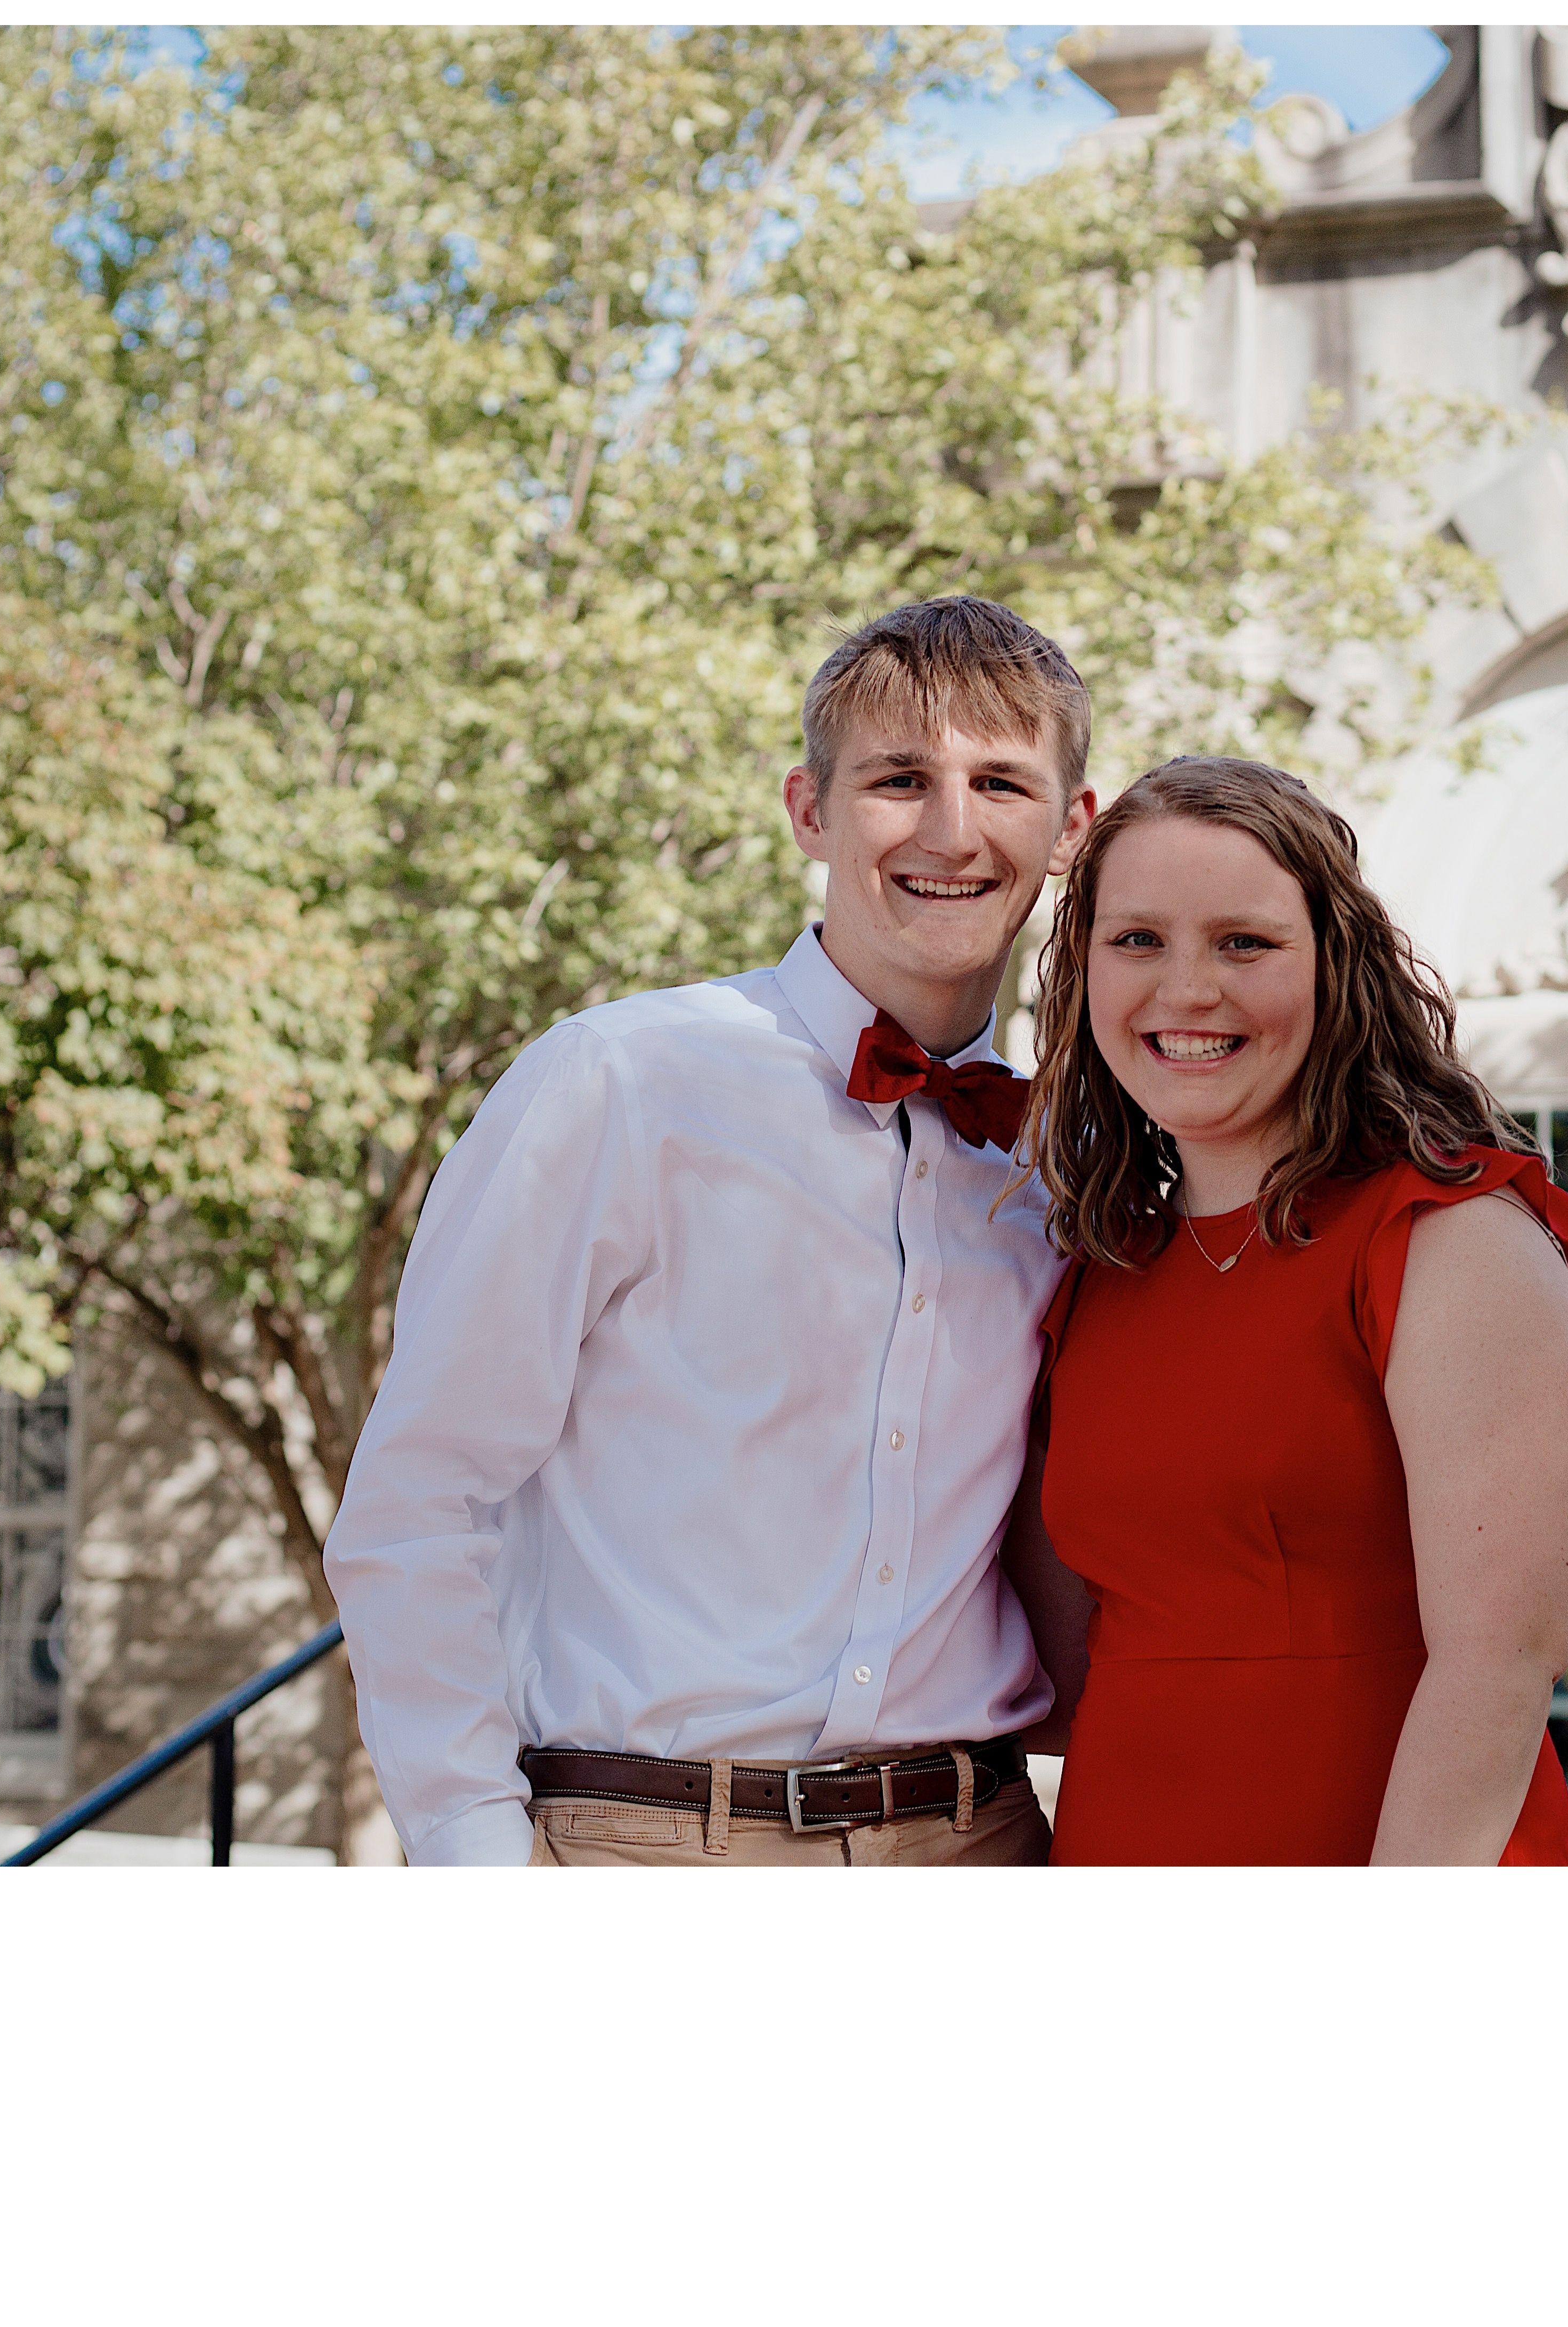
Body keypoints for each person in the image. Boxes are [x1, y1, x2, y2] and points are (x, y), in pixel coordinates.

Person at [325, 596, 1096, 1865]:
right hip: (644, 1843)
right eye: (900, 780)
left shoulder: (1066, 1165)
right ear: (810, 810)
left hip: (979, 1842)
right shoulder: (621, 1083)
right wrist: (473, 1850)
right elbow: (421, 1494)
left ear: (1071, 827)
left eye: (1001, 784)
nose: (953, 831)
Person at [1001, 757, 1568, 1865]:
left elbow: (1500, 1665)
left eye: (1244, 943)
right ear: (1084, 971)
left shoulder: (1449, 1242)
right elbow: (1059, 1673)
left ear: (1336, 966)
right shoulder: (1094, 1277)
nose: (1187, 990)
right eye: (1137, 939)